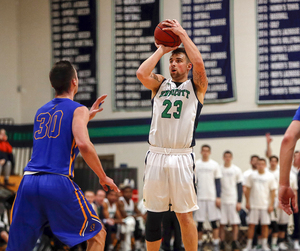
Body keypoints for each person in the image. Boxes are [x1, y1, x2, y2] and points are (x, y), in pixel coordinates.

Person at [6, 60, 119, 251]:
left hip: (28, 183)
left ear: (52, 85)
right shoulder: (78, 109)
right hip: (57, 181)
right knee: (97, 234)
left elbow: (57, 134)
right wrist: (102, 175)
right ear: (74, 82)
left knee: (18, 247)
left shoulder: (40, 112)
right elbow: (82, 143)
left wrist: (85, 118)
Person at [136, 18, 208, 251]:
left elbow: (199, 63)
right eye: (171, 61)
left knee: (184, 215)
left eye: (178, 60)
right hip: (156, 155)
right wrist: (161, 50)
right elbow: (141, 73)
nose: (173, 64)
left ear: (188, 67)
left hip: (181, 156)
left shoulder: (196, 87)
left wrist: (183, 35)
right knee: (153, 215)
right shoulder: (159, 84)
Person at [243, 158, 277, 251]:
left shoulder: (270, 176)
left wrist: (271, 205)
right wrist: (247, 202)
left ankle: (264, 245)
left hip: (265, 205)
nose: (260, 166)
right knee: (251, 225)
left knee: (265, 225)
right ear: (256, 165)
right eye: (259, 164)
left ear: (265, 165)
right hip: (254, 205)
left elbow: (273, 191)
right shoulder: (251, 176)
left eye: (262, 164)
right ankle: (249, 245)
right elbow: (247, 190)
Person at [194, 144, 222, 251]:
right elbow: (194, 181)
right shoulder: (196, 164)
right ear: (201, 152)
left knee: (214, 222)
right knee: (200, 222)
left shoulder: (214, 165)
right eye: (203, 151)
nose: (205, 152)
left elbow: (218, 182)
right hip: (200, 197)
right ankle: (199, 243)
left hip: (212, 197)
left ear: (209, 152)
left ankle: (215, 243)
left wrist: (218, 196)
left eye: (207, 151)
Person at [219, 151, 243, 251]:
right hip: (222, 200)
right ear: (223, 158)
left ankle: (234, 242)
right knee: (222, 223)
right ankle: (222, 242)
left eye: (229, 157)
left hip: (233, 200)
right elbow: (216, 185)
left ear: (231, 158)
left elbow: (239, 186)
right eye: (226, 156)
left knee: (234, 223)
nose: (227, 158)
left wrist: (239, 201)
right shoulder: (219, 169)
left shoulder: (236, 170)